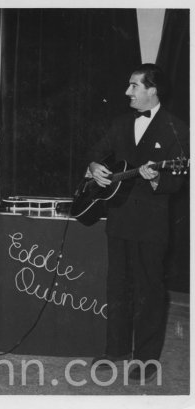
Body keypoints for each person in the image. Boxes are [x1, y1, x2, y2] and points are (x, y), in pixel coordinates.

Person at [87, 63, 189, 383]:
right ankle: (114, 349)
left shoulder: (177, 128)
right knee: (117, 287)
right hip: (118, 219)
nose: (127, 92)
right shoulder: (120, 123)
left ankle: (146, 359)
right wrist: (93, 166)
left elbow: (178, 181)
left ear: (152, 90)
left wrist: (158, 177)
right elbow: (97, 153)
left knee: (149, 290)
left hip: (150, 225)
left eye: (134, 86)